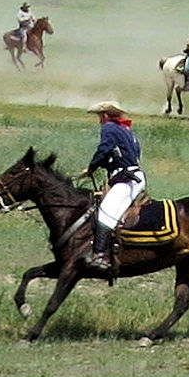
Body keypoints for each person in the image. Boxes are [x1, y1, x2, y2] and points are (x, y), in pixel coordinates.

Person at [77, 101, 146, 273]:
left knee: (105, 212)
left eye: (99, 116)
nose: (99, 120)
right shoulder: (126, 130)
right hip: (133, 175)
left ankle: (99, 255)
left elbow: (104, 149)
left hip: (125, 178)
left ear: (105, 115)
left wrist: (91, 167)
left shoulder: (109, 128)